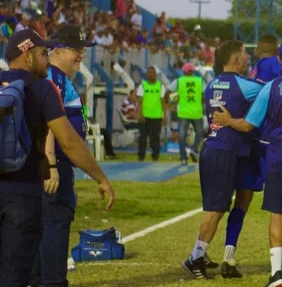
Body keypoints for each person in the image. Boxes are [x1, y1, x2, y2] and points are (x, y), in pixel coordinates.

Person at [0, 29, 115, 287]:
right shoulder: (43, 86)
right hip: (25, 189)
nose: (47, 58)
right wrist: (101, 178)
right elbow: (69, 142)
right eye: (43, 53)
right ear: (28, 56)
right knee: (19, 270)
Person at [213, 36, 282, 287]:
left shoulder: (270, 88)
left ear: (279, 59)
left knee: (277, 216)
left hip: (277, 160)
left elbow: (249, 124)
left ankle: (277, 274)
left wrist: (229, 121)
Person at [181, 41, 263, 279]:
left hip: (212, 147)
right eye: (245, 55)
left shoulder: (212, 84)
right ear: (236, 60)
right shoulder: (245, 85)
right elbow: (270, 90)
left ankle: (201, 253)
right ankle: (195, 257)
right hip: (224, 150)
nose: (247, 58)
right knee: (215, 210)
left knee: (215, 206)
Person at [29, 25, 95, 287]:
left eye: (82, 49)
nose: (80, 55)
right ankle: (52, 281)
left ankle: (38, 279)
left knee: (46, 223)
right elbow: (48, 122)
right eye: (75, 50)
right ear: (56, 51)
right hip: (55, 164)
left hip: (54, 162)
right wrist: (52, 164)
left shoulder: (58, 78)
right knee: (55, 221)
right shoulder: (53, 79)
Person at [167, 63, 204, 165]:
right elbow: (205, 95)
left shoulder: (179, 81)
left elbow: (168, 92)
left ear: (183, 71)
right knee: (200, 133)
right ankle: (194, 149)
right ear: (193, 71)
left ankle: (183, 158)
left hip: (183, 112)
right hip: (196, 111)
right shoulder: (200, 81)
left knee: (182, 135)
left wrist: (171, 103)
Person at [136, 66, 167, 161]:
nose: (150, 75)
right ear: (146, 74)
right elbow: (139, 101)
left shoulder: (160, 86)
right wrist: (140, 114)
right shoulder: (143, 86)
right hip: (144, 116)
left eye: (152, 73)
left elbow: (163, 102)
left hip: (156, 116)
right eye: (149, 73)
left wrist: (164, 115)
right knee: (142, 137)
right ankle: (141, 156)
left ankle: (155, 156)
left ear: (155, 75)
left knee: (155, 138)